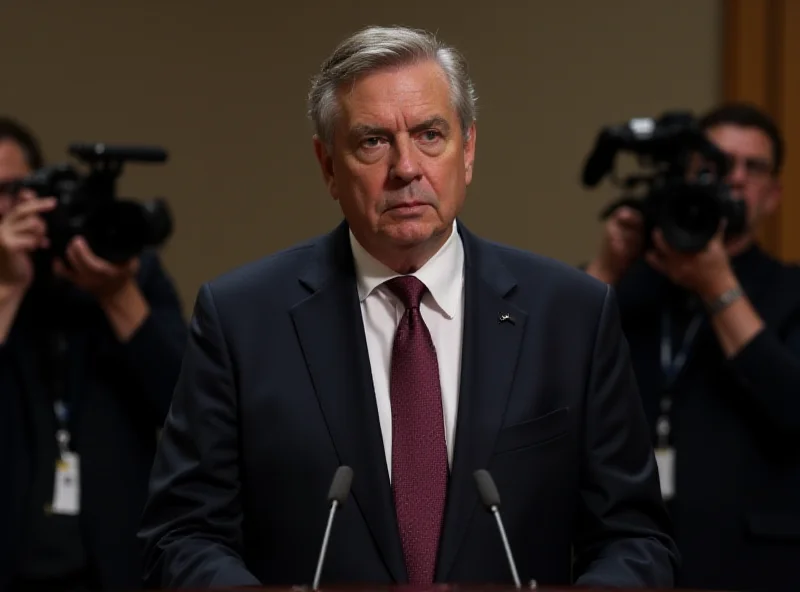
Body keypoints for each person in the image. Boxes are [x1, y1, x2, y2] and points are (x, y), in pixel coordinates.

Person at [139, 25, 678, 589]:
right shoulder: (241, 319)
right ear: (327, 165)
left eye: (429, 135)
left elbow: (634, 539)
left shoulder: (572, 315)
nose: (406, 168)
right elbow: (183, 534)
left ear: (467, 151)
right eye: (373, 141)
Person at [585, 103, 800, 591]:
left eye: (754, 167)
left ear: (774, 195)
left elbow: (793, 406)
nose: (735, 178)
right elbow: (546, 378)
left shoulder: (791, 292)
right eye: (717, 164)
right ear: (684, 174)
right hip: (631, 561)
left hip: (759, 567)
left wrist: (717, 286)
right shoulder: (627, 289)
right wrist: (606, 268)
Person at [0, 117, 188, 591]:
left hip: (115, 562)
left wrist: (116, 293)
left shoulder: (130, 273)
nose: (6, 207)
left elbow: (183, 404)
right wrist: (8, 285)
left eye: (14, 189)